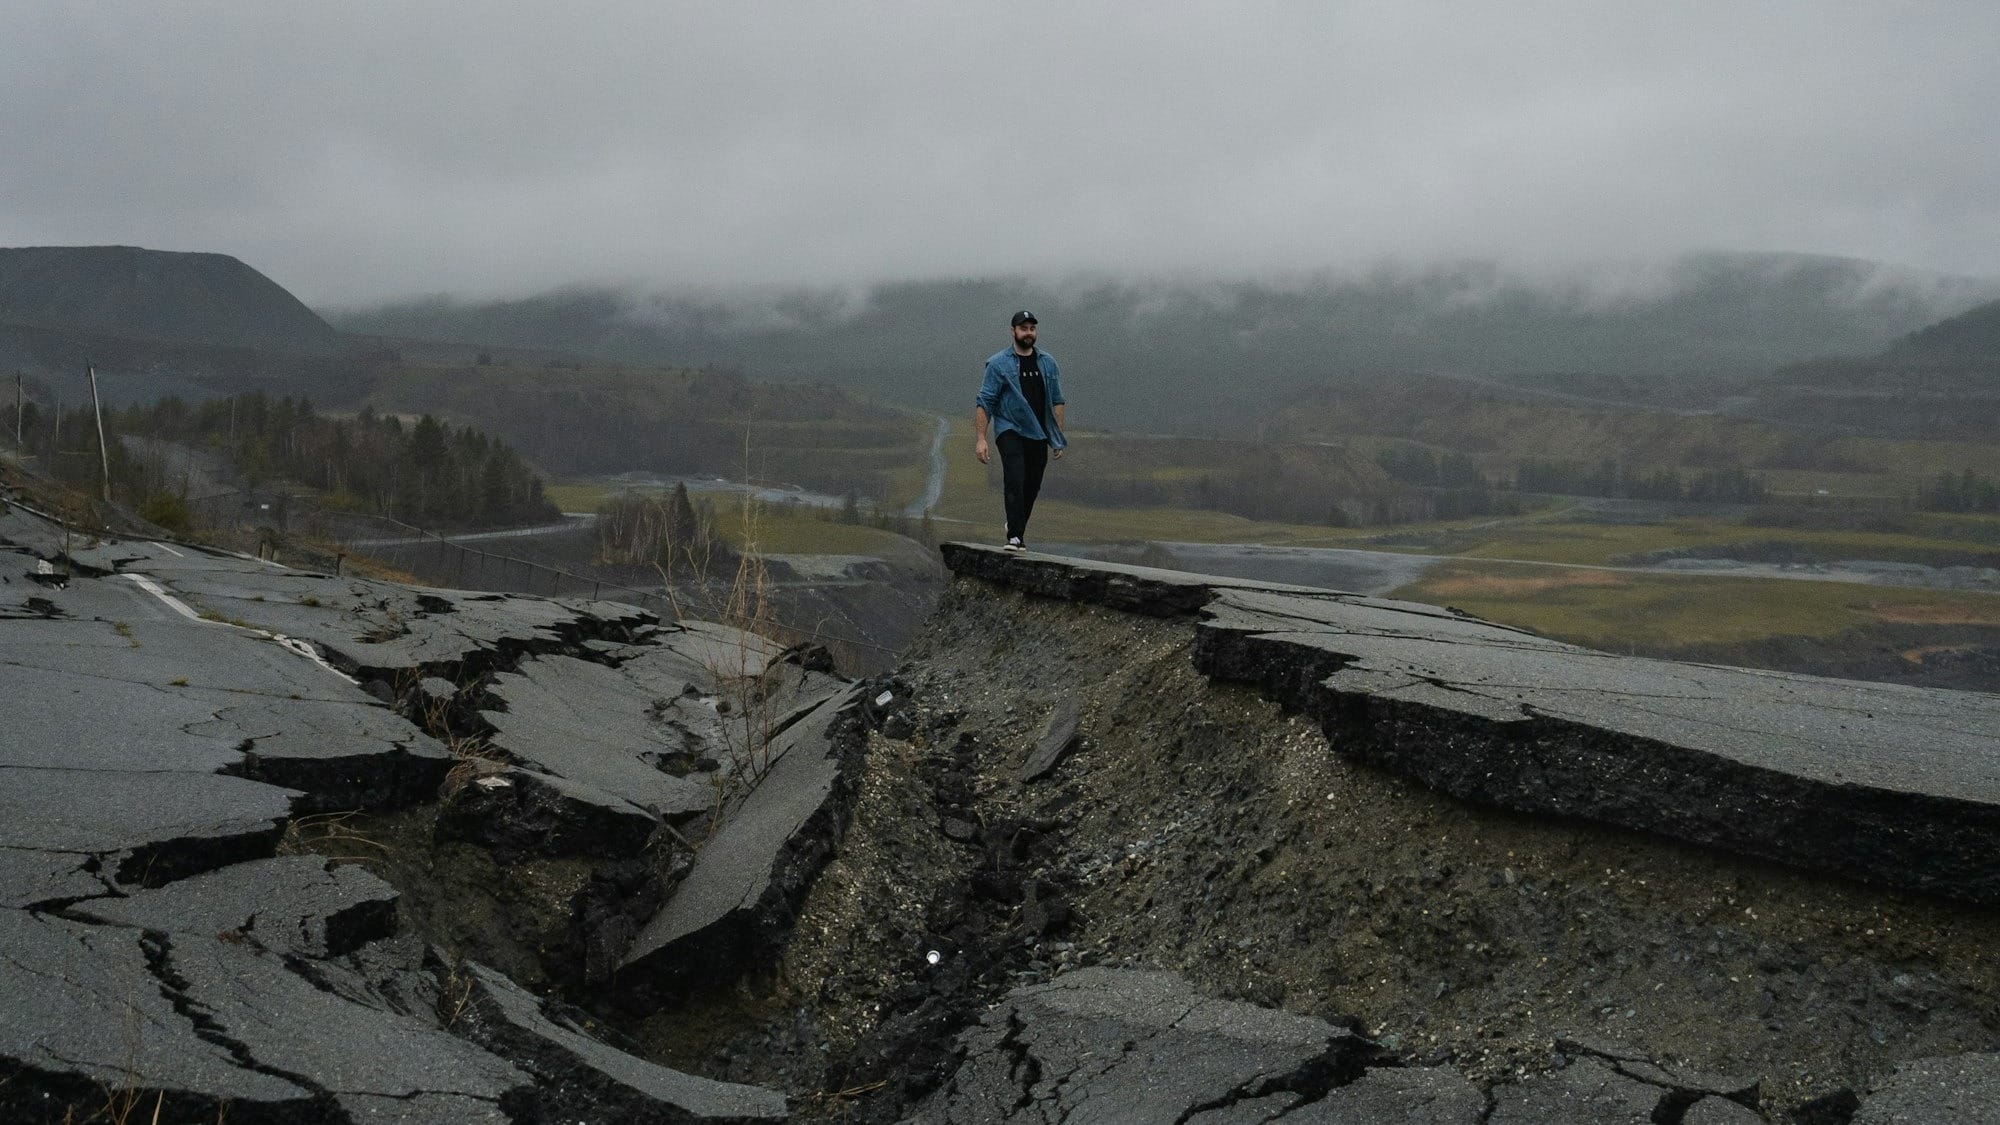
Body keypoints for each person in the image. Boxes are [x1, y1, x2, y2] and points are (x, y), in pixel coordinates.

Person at [974, 310, 1066, 551]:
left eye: (1032, 328)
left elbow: (1057, 400)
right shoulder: (998, 363)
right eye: (1023, 328)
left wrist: (1057, 437)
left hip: (1039, 432)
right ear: (1013, 331)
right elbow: (985, 401)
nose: (1028, 333)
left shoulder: (1047, 363)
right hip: (1010, 429)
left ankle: (1015, 523)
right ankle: (1015, 537)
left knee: (1032, 485)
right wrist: (981, 439)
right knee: (1015, 477)